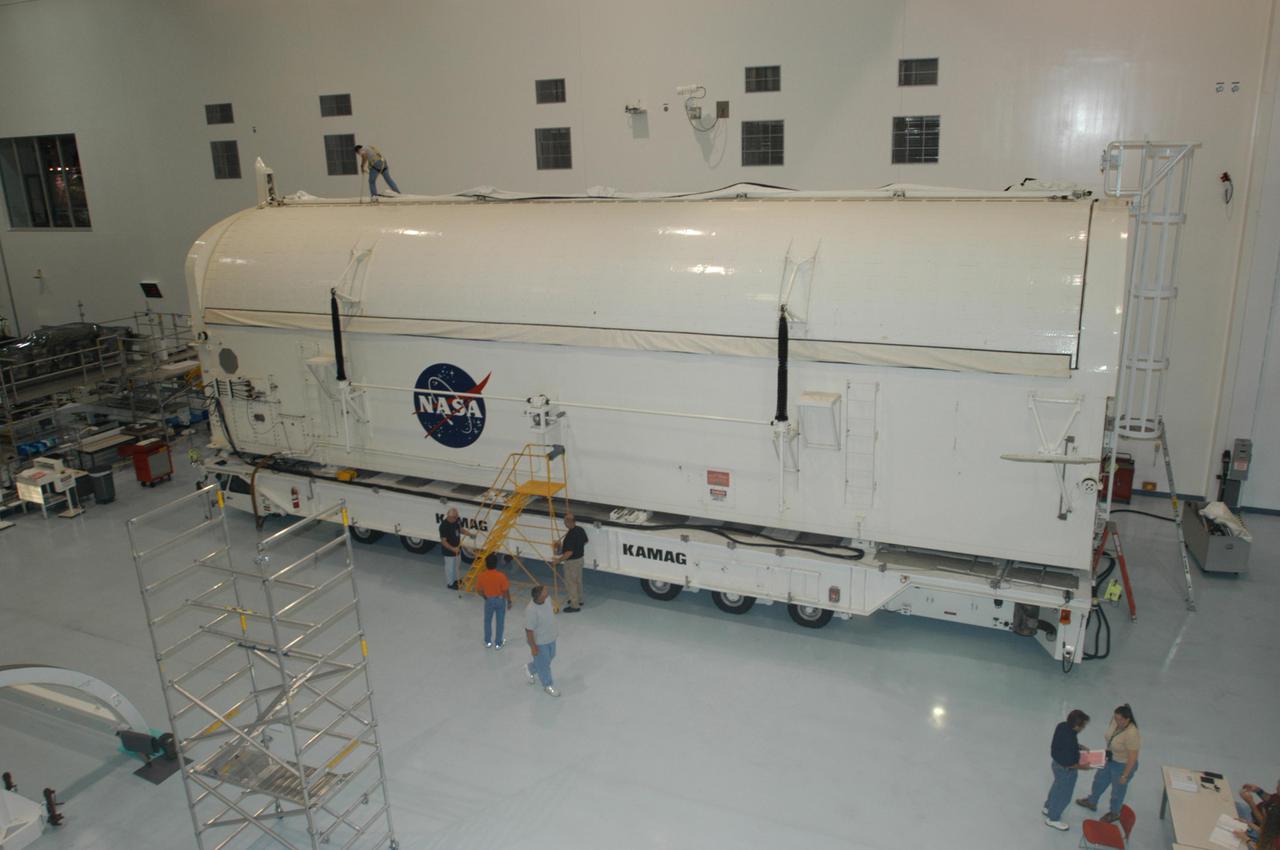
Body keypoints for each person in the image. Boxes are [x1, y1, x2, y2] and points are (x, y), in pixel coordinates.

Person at [1077, 704, 1140, 822]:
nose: (1116, 721)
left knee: (1117, 791)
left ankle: (1115, 812)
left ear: (1128, 719)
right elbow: (1111, 737)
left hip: (1123, 765)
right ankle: (1092, 802)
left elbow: (1133, 757)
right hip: (1109, 758)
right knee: (1098, 781)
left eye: (1120, 719)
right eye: (1115, 718)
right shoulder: (1115, 721)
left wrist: (1124, 775)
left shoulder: (1132, 734)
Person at [1043, 709, 1092, 831]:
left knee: (1057, 787)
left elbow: (1063, 742)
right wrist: (1084, 767)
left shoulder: (1063, 726)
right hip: (1066, 770)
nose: (1083, 728)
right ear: (1076, 726)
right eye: (1083, 725)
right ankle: (1053, 819)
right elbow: (1070, 764)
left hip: (1056, 765)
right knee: (1064, 795)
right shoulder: (1070, 740)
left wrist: (1079, 747)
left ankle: (1048, 807)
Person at [524, 585, 559, 697]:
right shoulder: (531, 610)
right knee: (544, 665)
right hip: (540, 642)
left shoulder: (547, 599)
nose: (547, 591)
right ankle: (547, 685)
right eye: (544, 591)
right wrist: (533, 647)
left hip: (551, 637)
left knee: (550, 656)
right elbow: (529, 630)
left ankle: (531, 668)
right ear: (539, 597)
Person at [551, 512, 588, 612]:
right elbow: (585, 541)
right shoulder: (580, 529)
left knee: (571, 583)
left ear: (568, 522)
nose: (564, 523)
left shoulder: (570, 535)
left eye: (564, 521)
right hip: (580, 560)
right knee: (578, 581)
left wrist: (557, 560)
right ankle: (579, 600)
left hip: (571, 563)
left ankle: (574, 605)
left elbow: (569, 553)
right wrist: (577, 548)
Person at [475, 553, 512, 649]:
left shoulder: (481, 576)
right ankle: (498, 643)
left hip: (489, 600)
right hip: (500, 600)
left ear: (486, 564)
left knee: (487, 621)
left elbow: (478, 590)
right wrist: (509, 601)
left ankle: (488, 642)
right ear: (496, 564)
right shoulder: (501, 576)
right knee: (500, 622)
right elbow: (505, 590)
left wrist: (484, 597)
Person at [438, 508, 476, 590]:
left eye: (457, 517)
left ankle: (455, 580)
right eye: (455, 517)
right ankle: (450, 583)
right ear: (450, 517)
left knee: (456, 566)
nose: (456, 518)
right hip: (449, 552)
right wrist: (452, 549)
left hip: (457, 549)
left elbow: (460, 529)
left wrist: (469, 534)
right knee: (450, 568)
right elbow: (443, 541)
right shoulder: (444, 526)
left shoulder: (456, 521)